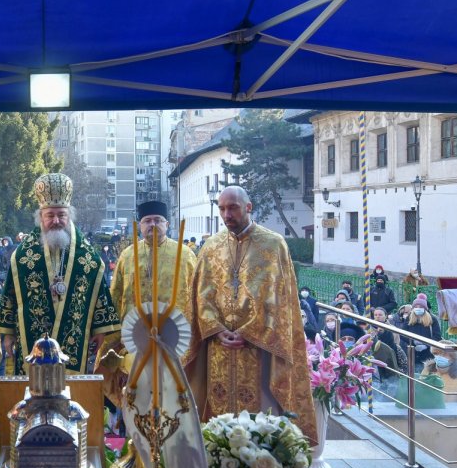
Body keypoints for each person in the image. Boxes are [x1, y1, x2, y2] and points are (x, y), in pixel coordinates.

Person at [185, 185, 316, 441]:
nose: (226, 215)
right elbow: (201, 297)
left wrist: (249, 331)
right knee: (218, 421)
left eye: (232, 207)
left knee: (260, 421)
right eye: (221, 208)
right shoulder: (211, 247)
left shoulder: (273, 245)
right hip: (218, 348)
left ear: (248, 207)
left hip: (260, 348)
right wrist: (217, 329)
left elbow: (280, 300)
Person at [0, 173, 121, 375]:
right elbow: (9, 296)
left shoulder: (87, 256)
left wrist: (98, 331)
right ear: (40, 217)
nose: (56, 220)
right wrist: (8, 335)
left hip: (75, 342)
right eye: (50, 215)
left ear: (70, 216)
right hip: (32, 342)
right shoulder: (24, 255)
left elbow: (99, 294)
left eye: (62, 214)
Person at [110, 200, 197, 328]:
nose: (152, 224)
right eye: (147, 221)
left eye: (157, 220)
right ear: (140, 225)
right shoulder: (127, 256)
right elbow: (116, 294)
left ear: (166, 224)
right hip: (135, 333)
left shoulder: (185, 255)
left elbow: (197, 296)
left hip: (174, 332)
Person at [402, 293, 442, 369]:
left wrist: (426, 345)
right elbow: (403, 334)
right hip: (413, 353)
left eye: (420, 306)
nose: (418, 308)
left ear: (425, 308)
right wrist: (413, 342)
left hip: (429, 354)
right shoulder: (409, 318)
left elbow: (437, 336)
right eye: (416, 306)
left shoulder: (432, 319)